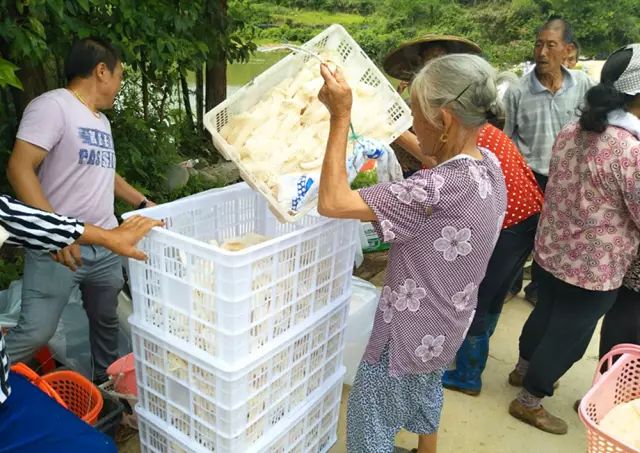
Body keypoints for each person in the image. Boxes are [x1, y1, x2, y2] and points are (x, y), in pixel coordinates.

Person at [317, 54, 507, 453]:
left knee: (369, 426)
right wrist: (380, 126)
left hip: (402, 337)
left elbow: (333, 201)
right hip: (445, 327)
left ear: (445, 118)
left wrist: (340, 117)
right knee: (425, 394)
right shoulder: (487, 164)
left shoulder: (432, 191)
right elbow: (436, 155)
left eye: (414, 114)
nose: (411, 123)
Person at [5, 37, 155, 384]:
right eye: (119, 75)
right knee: (36, 332)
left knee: (105, 321)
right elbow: (19, 168)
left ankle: (108, 388)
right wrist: (56, 232)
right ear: (102, 70)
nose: (119, 85)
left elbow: (107, 173)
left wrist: (142, 203)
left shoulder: (101, 122)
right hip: (60, 249)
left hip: (105, 244)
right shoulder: (53, 106)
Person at [508, 43, 640, 435]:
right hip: (594, 268)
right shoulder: (631, 152)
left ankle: (522, 369)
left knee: (545, 313)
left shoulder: (573, 130)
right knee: (570, 335)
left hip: (552, 252)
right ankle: (530, 400)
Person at [0, 194, 161, 452]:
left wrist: (68, 234)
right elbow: (19, 174)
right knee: (37, 331)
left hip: (5, 387)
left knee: (99, 447)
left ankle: (111, 391)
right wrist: (72, 237)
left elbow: (10, 216)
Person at [441, 123, 544, 396]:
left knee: (477, 298)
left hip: (510, 221)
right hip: (529, 214)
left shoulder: (460, 139)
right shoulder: (483, 128)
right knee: (496, 293)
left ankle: (468, 375)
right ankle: (473, 353)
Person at [504, 17, 595, 304]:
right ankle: (509, 285)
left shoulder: (583, 86)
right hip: (528, 177)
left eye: (551, 45)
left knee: (554, 240)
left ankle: (538, 290)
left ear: (567, 49)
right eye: (538, 44)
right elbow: (506, 139)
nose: (542, 52)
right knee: (516, 238)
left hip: (566, 180)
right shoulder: (518, 91)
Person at [382, 35, 482, 176]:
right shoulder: (410, 107)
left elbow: (448, 167)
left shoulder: (463, 118)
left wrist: (396, 131)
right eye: (432, 62)